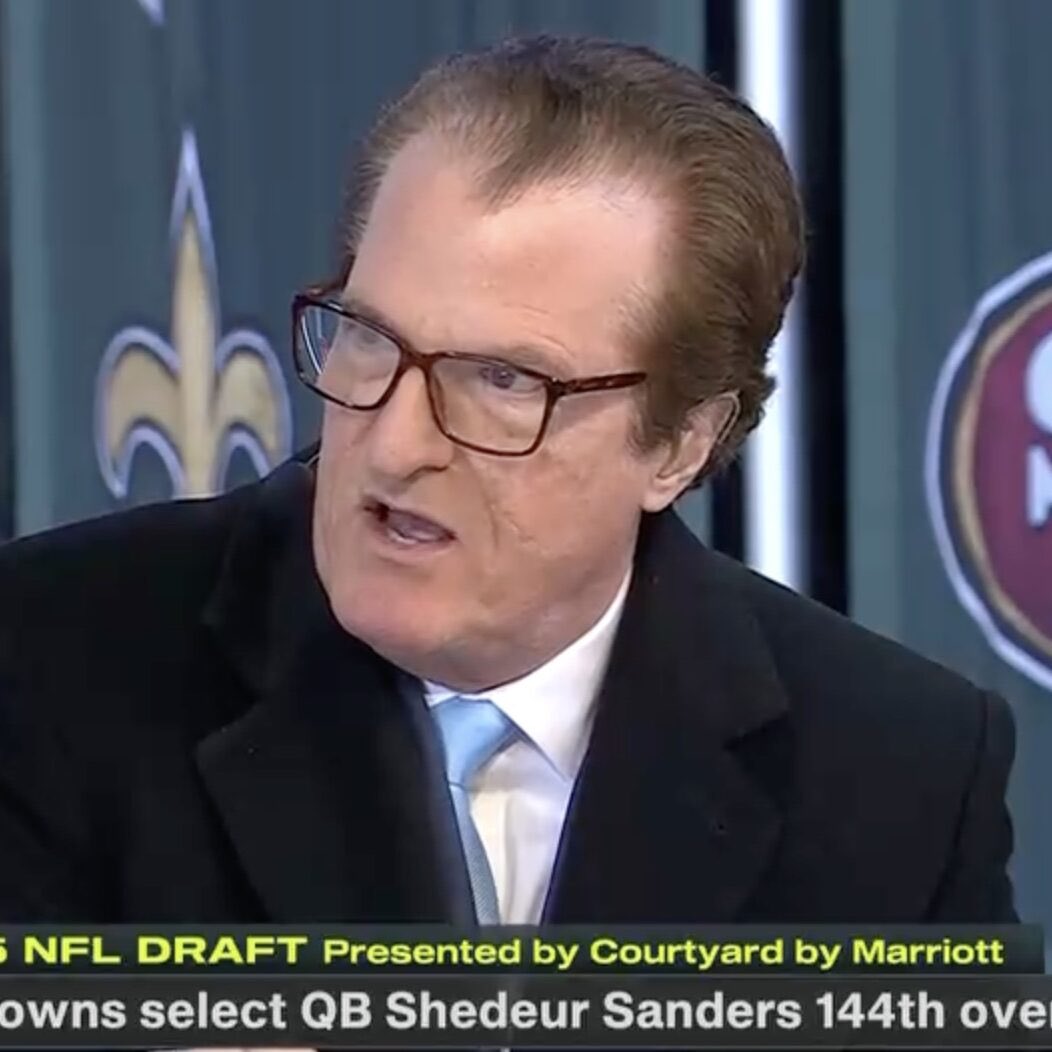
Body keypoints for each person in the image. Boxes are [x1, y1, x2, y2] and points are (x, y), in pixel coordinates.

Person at [0, 34, 1016, 924]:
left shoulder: (898, 775)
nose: (394, 445)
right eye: (368, 338)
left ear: (679, 443)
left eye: (502, 381)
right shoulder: (46, 661)